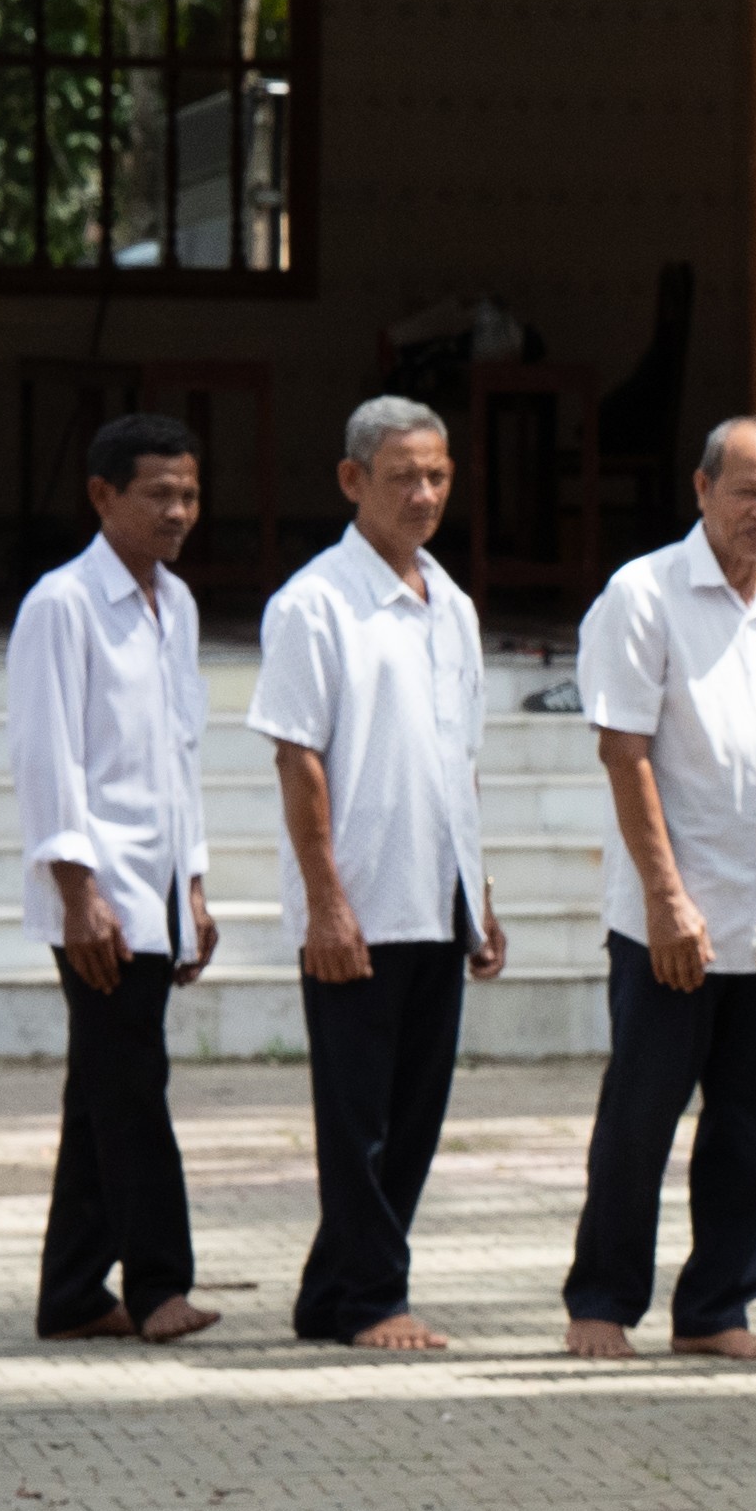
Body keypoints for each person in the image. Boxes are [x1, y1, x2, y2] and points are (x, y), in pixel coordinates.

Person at [566, 419, 756, 1361]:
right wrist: (665, 896)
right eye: (748, 491)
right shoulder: (643, 594)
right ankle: (602, 1302)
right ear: (702, 490)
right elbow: (626, 751)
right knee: (642, 1114)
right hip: (676, 918)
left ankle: (717, 1308)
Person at [255, 395, 498, 1352]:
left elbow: (459, 760)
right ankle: (369, 1298)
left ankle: (334, 1294)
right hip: (357, 899)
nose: (424, 493)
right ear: (354, 480)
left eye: (437, 475)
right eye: (403, 476)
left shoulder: (456, 605)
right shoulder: (315, 603)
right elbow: (297, 757)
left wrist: (482, 892)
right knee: (356, 1116)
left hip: (437, 896)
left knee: (414, 1112)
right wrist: (326, 902)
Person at [13, 412, 217, 1345]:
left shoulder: (176, 605)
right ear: (102, 497)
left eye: (189, 494)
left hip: (160, 885)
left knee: (101, 1089)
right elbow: (49, 756)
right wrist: (77, 892)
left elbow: (181, 756)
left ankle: (70, 1294)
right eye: (158, 495)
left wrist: (198, 885)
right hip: (98, 894)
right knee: (132, 1085)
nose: (178, 512)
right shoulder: (61, 604)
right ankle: (159, 1283)